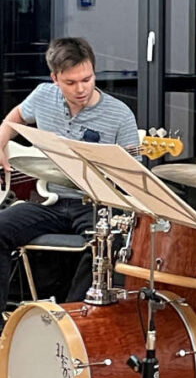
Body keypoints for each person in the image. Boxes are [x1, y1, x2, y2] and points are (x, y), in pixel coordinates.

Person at [0, 37, 139, 325]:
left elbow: (132, 180)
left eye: (86, 79)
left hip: (95, 203)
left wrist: (114, 167)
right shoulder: (42, 95)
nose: (80, 89)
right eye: (70, 82)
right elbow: (13, 120)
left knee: (107, 242)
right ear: (55, 79)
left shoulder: (119, 115)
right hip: (49, 198)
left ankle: (72, 326)